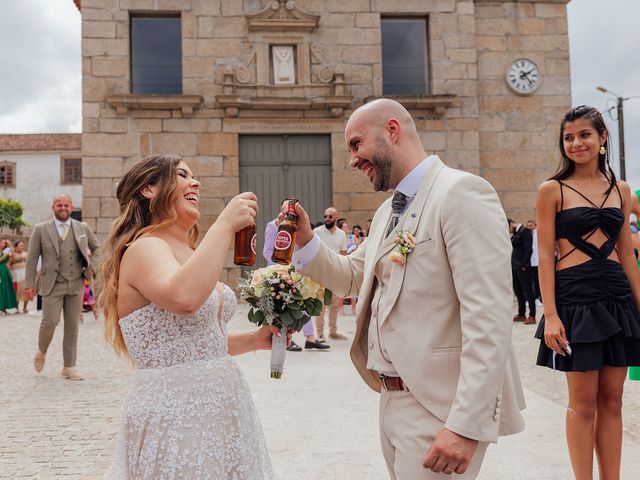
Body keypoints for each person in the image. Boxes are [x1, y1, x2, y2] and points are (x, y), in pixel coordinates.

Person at [289, 99, 525, 479]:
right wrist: (305, 242)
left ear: (392, 130)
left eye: (356, 144)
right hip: (391, 399)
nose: (352, 160)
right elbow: (353, 276)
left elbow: (490, 317)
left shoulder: (461, 192)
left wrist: (465, 424)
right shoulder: (387, 211)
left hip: (439, 406)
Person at [100, 153, 276, 478]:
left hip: (222, 408)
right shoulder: (144, 248)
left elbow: (196, 344)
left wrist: (255, 339)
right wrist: (224, 224)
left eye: (194, 177)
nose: (195, 182)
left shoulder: (191, 251)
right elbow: (184, 298)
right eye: (182, 175)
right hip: (177, 414)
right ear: (149, 189)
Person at [534, 106, 640, 480]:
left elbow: (627, 252)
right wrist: (550, 314)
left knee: (613, 400)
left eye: (584, 135)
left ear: (602, 139)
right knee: (582, 404)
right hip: (574, 298)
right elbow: (545, 254)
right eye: (568, 137)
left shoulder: (621, 190)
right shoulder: (553, 190)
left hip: (616, 296)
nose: (576, 143)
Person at [25, 195, 99, 380]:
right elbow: (32, 258)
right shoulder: (40, 229)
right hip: (52, 284)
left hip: (76, 283)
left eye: (66, 205)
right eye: (59, 205)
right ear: (53, 207)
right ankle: (42, 351)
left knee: (73, 326)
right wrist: (29, 285)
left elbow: (97, 248)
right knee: (50, 322)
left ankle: (69, 366)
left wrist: (92, 266)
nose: (63, 208)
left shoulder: (83, 228)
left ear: (71, 207)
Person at [263, 199, 328, 351]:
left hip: (297, 271)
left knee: (304, 302)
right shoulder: (273, 226)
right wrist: (281, 268)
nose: (289, 210)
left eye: (291, 208)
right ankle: (286, 339)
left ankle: (310, 339)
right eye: (286, 207)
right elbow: (267, 251)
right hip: (279, 273)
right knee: (283, 307)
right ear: (281, 208)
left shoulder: (296, 227)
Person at [313, 207, 349, 341]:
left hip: (335, 274)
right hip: (320, 274)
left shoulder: (341, 234)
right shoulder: (317, 232)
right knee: (319, 305)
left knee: (334, 305)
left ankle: (333, 332)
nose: (327, 219)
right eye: (325, 216)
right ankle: (320, 334)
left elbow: (344, 254)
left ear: (336, 217)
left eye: (330, 217)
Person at [508, 218, 536, 324]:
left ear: (511, 224)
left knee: (528, 292)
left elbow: (529, 249)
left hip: (523, 268)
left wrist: (524, 265)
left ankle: (532, 315)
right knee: (518, 291)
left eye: (507, 227)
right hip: (515, 268)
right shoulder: (516, 233)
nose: (508, 230)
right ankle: (521, 314)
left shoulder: (525, 232)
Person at [526, 220, 542, 305]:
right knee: (529, 281)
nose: (529, 227)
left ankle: (537, 298)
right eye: (527, 226)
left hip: (537, 262)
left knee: (537, 281)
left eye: (530, 225)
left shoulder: (538, 234)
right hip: (529, 262)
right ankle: (530, 298)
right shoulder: (527, 235)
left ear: (534, 226)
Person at [0, 238, 18, 314]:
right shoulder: (5, 253)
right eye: (2, 242)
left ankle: (4, 307)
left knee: (5, 288)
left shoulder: (5, 251)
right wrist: (5, 255)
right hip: (0, 271)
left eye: (5, 243)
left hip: (5, 271)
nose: (4, 244)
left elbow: (13, 257)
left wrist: (11, 246)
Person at [11, 240, 28, 313]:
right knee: (17, 291)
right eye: (20, 245)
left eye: (22, 245)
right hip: (16, 275)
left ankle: (25, 307)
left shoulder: (25, 253)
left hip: (25, 274)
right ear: (16, 246)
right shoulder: (12, 254)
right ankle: (17, 308)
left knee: (26, 291)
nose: (22, 247)